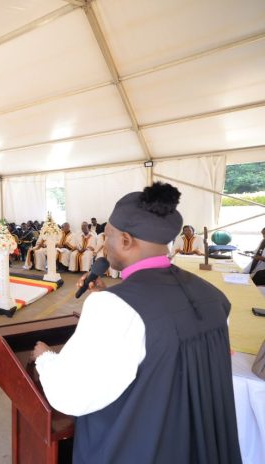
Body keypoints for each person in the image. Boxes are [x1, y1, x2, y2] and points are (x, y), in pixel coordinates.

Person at [31, 182, 241, 463]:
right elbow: (168, 348)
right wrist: (112, 295)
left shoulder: (115, 308)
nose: (104, 244)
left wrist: (45, 358)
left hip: (143, 447)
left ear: (126, 240)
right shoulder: (213, 296)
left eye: (108, 236)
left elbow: (71, 394)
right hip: (198, 445)